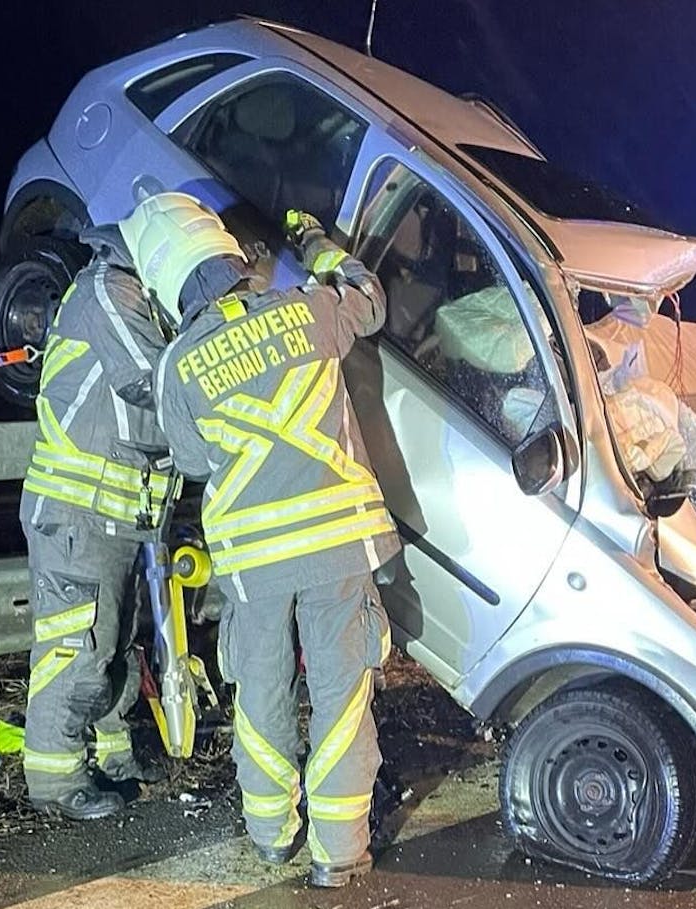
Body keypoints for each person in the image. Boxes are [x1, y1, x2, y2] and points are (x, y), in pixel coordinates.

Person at [125, 192, 399, 888]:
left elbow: (188, 460)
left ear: (168, 284)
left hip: (254, 562)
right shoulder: (308, 308)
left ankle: (274, 834)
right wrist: (314, 241)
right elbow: (369, 297)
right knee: (340, 693)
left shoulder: (178, 364)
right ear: (231, 258)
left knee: (262, 691)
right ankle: (338, 854)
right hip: (338, 543)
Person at [17, 225, 172, 820]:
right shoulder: (108, 292)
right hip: (79, 513)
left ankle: (111, 751)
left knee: (114, 642)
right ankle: (56, 780)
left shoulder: (134, 298)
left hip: (119, 512)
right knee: (76, 644)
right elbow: (152, 384)